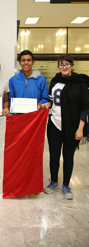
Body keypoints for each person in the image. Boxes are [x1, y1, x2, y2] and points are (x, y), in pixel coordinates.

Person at [44, 54, 89, 200]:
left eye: (67, 64)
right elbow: (52, 101)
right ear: (58, 66)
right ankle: (54, 181)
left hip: (72, 126)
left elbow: (85, 107)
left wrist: (80, 128)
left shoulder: (81, 83)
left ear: (72, 65)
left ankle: (66, 184)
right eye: (61, 64)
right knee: (54, 156)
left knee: (68, 156)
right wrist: (46, 105)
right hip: (54, 124)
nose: (64, 67)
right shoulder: (54, 81)